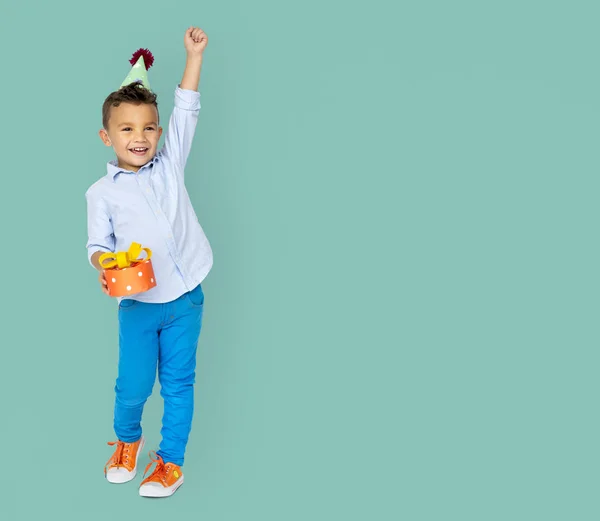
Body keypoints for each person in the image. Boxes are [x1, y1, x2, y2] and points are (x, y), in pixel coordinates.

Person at [85, 26, 213, 498]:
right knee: (134, 384)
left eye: (148, 127)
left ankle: (170, 462)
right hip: (138, 303)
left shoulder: (170, 163)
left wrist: (194, 55)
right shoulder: (101, 194)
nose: (139, 137)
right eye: (126, 128)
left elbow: (187, 107)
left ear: (158, 131)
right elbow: (96, 244)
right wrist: (106, 264)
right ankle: (127, 442)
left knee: (179, 384)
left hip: (186, 298)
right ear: (107, 136)